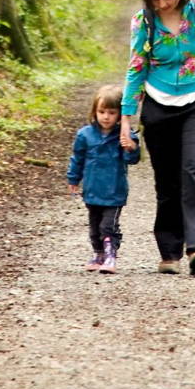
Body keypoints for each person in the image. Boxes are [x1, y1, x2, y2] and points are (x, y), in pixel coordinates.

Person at [118, 0, 195, 276]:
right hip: (159, 105)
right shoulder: (144, 21)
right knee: (166, 180)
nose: (162, 4)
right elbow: (136, 67)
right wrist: (127, 117)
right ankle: (169, 252)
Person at [66, 85, 139, 273]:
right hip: (92, 190)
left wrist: (130, 147)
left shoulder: (124, 135)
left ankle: (110, 256)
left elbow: (132, 160)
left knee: (109, 226)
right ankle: (98, 254)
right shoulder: (85, 135)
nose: (106, 117)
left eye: (112, 112)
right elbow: (78, 159)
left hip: (114, 191)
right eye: (101, 112)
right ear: (94, 112)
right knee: (94, 227)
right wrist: (73, 179)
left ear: (120, 114)